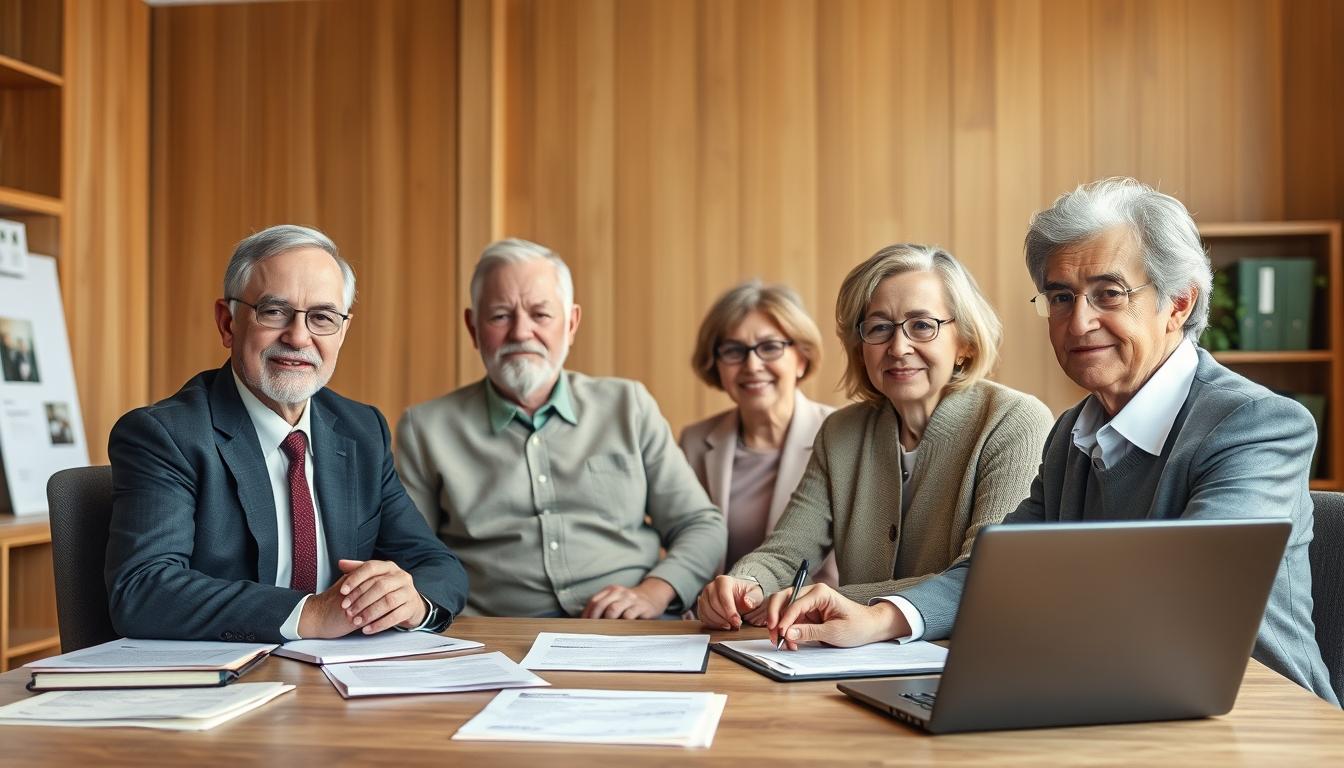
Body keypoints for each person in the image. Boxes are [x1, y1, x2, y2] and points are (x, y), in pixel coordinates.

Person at [771, 178, 1339, 705]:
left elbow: (1183, 596)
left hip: (1252, 715)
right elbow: (1004, 567)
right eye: (1061, 297)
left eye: (1108, 293)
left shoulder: (1258, 425)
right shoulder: (1074, 431)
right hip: (1104, 696)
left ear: (1179, 304)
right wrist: (880, 617)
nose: (1078, 322)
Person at [106, 225, 468, 642]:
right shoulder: (166, 435)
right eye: (273, 312)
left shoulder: (361, 429)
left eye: (322, 318)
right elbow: (143, 589)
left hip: (342, 679)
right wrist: (309, 615)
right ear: (227, 323)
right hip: (223, 683)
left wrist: (409, 600)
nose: (298, 337)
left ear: (342, 332)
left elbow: (436, 565)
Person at [697, 244, 1053, 630]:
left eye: (922, 325)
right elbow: (785, 553)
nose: (898, 348)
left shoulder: (1014, 420)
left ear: (964, 342)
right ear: (860, 346)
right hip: (851, 665)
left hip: (970, 661)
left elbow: (986, 577)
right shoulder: (841, 432)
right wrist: (744, 585)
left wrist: (842, 600)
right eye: (879, 328)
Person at [396, 238, 725, 619]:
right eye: (500, 316)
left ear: (571, 324)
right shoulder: (425, 429)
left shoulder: (628, 406)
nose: (521, 333)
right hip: (493, 636)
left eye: (541, 315)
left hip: (631, 632)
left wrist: (654, 593)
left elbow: (701, 525)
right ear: (473, 328)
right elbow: (412, 555)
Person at [679, 281, 839, 590]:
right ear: (716, 364)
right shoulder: (695, 442)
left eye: (770, 347)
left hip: (812, 623)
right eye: (734, 351)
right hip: (720, 623)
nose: (752, 365)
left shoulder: (841, 436)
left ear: (802, 357)